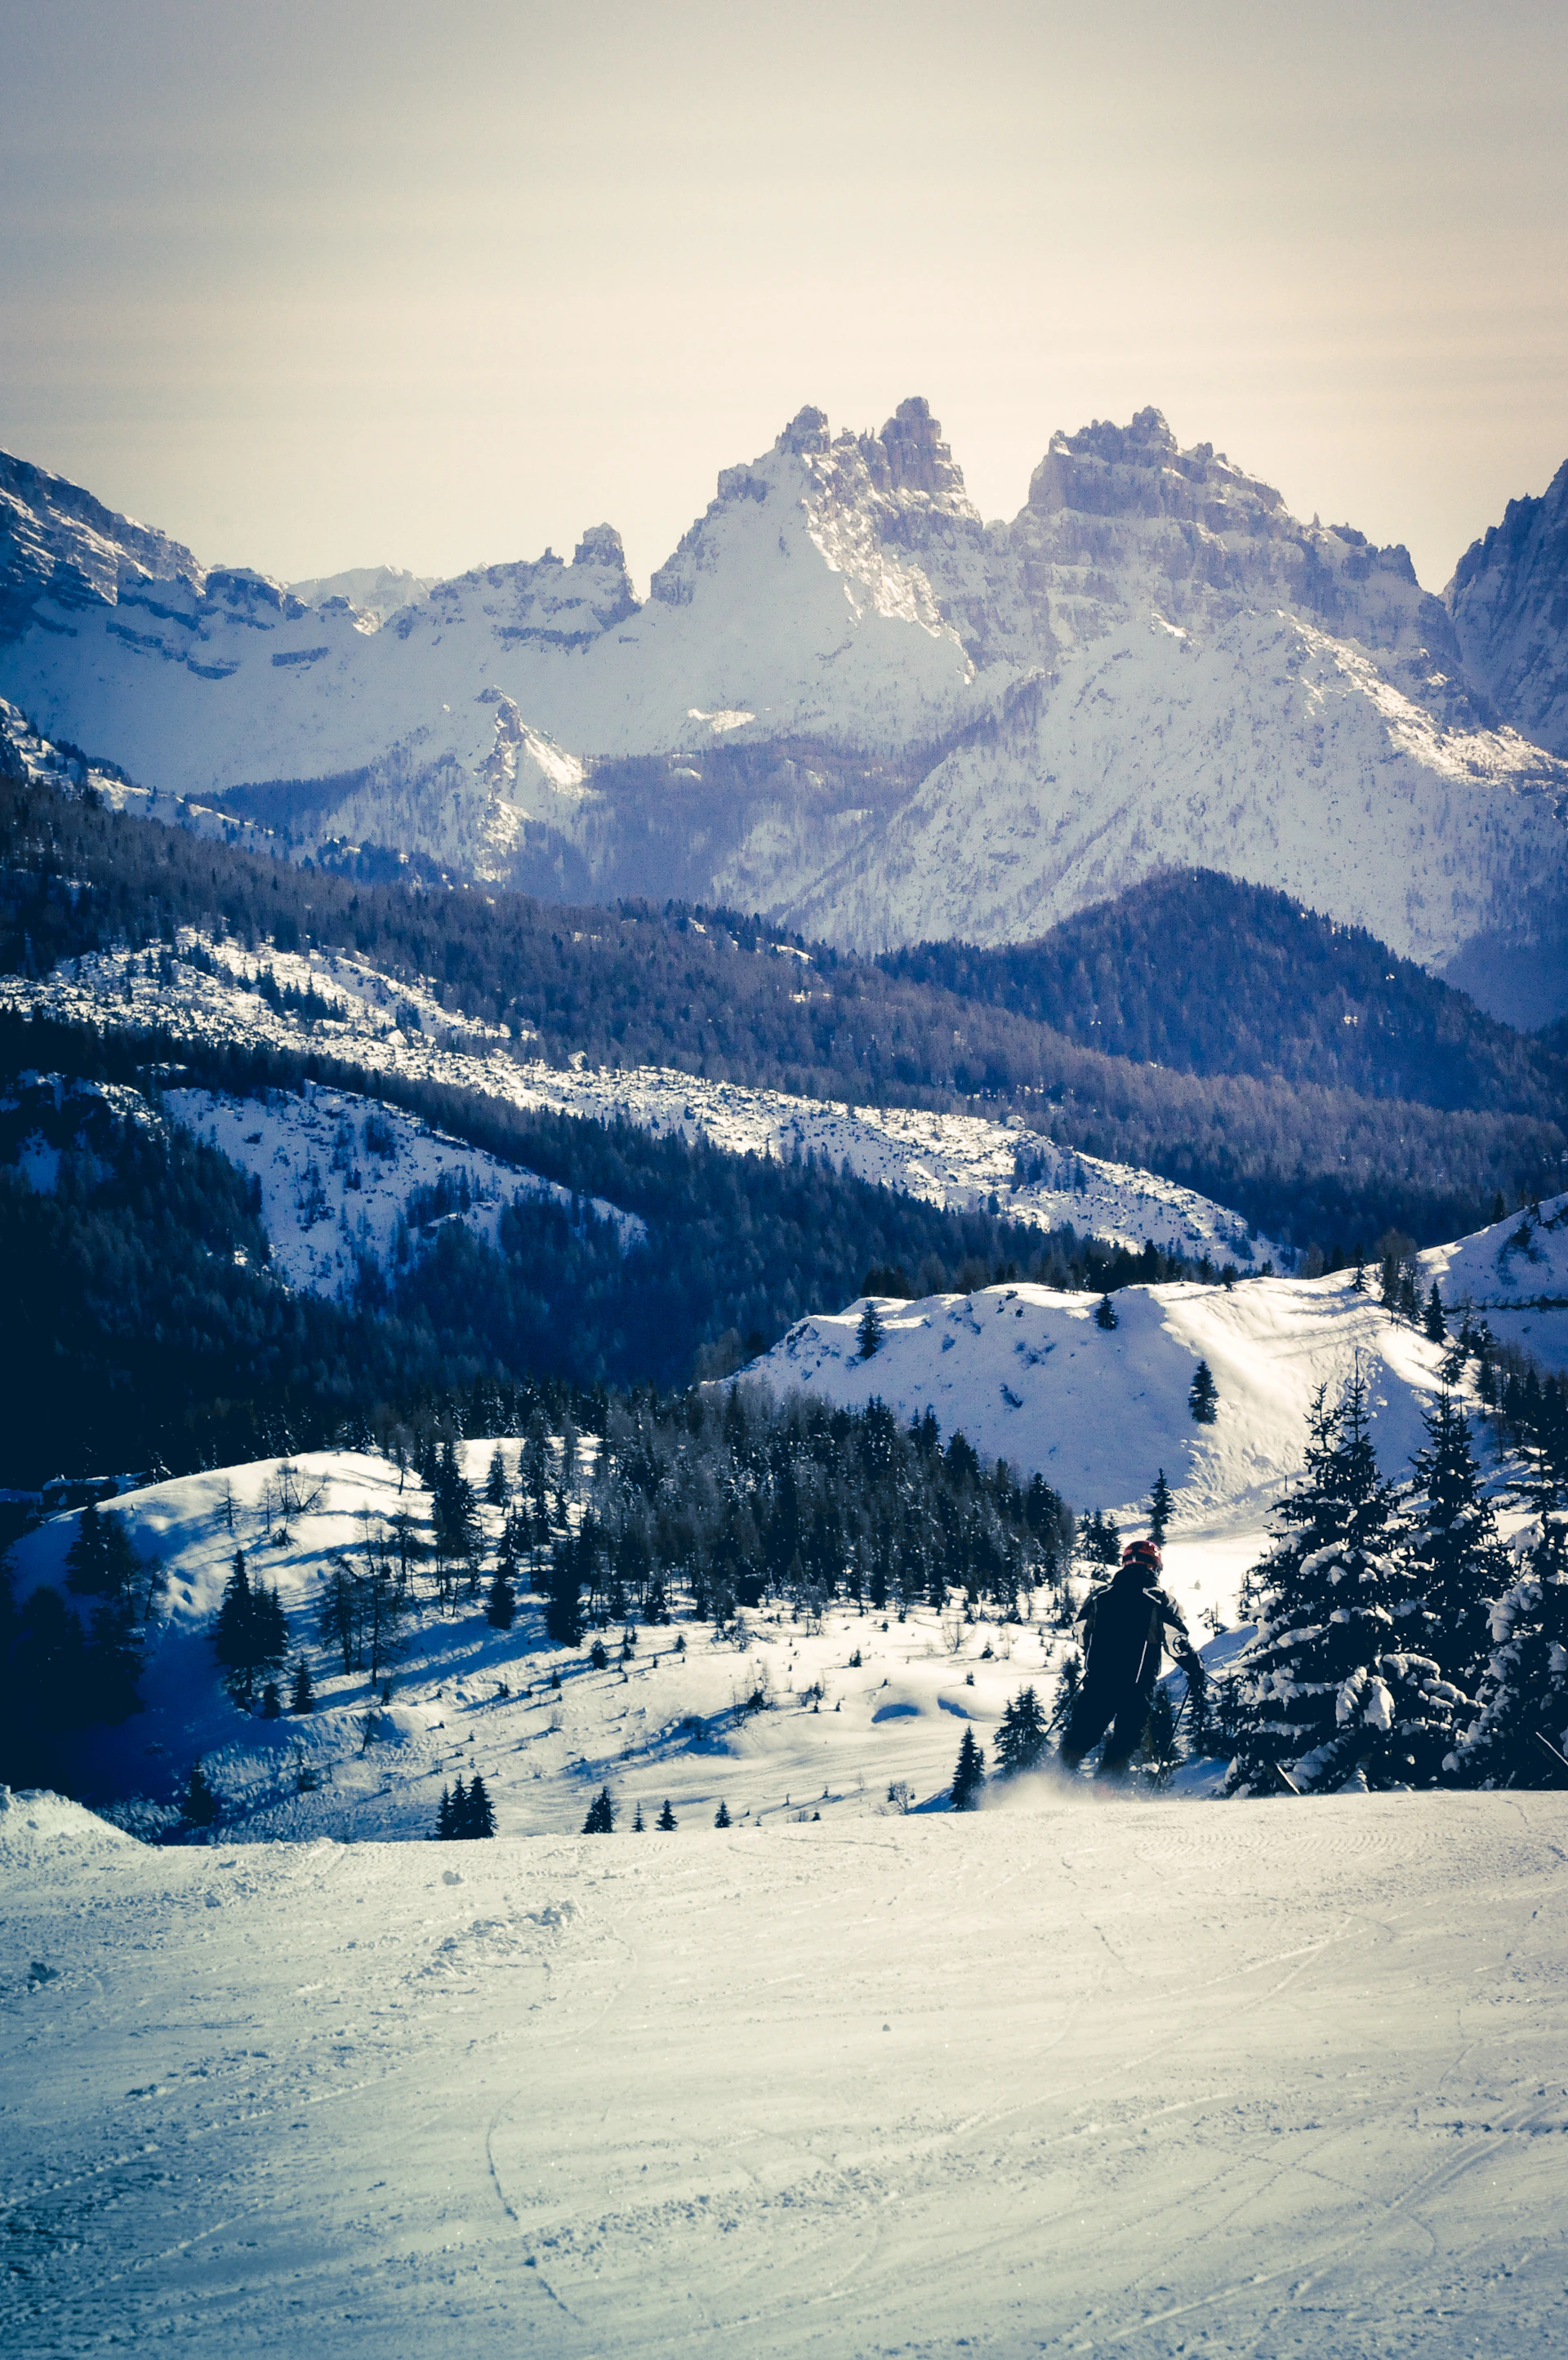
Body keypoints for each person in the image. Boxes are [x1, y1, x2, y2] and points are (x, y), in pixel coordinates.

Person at [1059, 1538, 1205, 1777]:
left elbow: (1079, 1632)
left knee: (1080, 1737)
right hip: (1136, 1686)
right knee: (1124, 1743)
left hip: (1098, 1680)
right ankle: (1105, 1792)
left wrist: (1094, 1654)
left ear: (1125, 1563)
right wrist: (1194, 1667)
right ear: (1156, 1567)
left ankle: (1051, 1785)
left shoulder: (1100, 1595)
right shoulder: (1159, 1598)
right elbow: (1175, 1640)